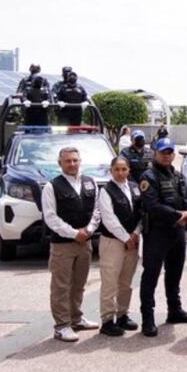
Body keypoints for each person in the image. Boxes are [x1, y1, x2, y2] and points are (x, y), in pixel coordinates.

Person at [41, 147, 101, 342]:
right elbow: (50, 217)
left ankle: (76, 318)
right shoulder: (52, 186)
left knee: (79, 284)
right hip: (63, 245)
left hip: (85, 242)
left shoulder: (90, 182)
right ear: (60, 164)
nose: (72, 164)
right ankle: (62, 325)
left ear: (80, 161)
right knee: (61, 286)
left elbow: (97, 211)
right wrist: (74, 233)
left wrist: (89, 230)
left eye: (75, 160)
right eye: (68, 161)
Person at [138, 137, 187, 336]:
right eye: (163, 152)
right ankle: (147, 318)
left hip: (177, 232)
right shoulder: (149, 176)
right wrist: (178, 215)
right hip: (157, 233)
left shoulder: (177, 175)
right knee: (151, 276)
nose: (167, 155)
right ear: (155, 153)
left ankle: (175, 310)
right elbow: (152, 205)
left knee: (174, 274)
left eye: (170, 152)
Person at [97, 156, 143, 336]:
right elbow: (108, 219)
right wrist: (125, 237)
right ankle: (107, 319)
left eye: (124, 169)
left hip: (132, 241)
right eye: (117, 169)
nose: (120, 172)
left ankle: (122, 314)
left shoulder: (134, 187)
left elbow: (140, 213)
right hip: (113, 242)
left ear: (129, 170)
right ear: (111, 170)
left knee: (126, 282)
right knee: (110, 282)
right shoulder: (106, 191)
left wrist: (136, 233)